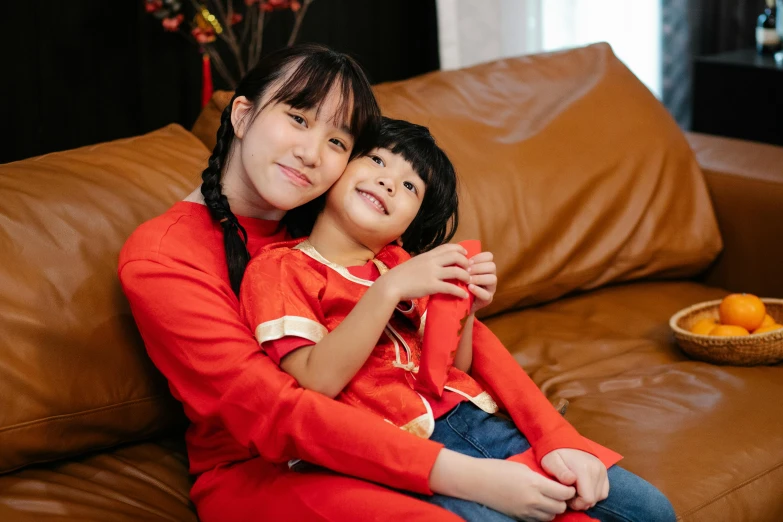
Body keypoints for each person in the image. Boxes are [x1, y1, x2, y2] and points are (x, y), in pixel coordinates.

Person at [118, 43, 619, 522]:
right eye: (297, 118)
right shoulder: (163, 257)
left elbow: (437, 330)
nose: (313, 154)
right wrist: (470, 476)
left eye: (337, 141)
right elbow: (277, 411)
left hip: (387, 427)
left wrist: (556, 436)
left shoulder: (326, 218)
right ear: (243, 115)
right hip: (267, 471)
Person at [239, 117, 678, 522]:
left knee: (650, 510)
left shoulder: (401, 262)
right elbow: (314, 382)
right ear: (338, 169)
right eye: (376, 160)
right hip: (397, 449)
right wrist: (387, 291)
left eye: (411, 187)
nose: (389, 183)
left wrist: (467, 308)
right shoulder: (280, 268)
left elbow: (454, 368)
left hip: (475, 420)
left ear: (410, 224)